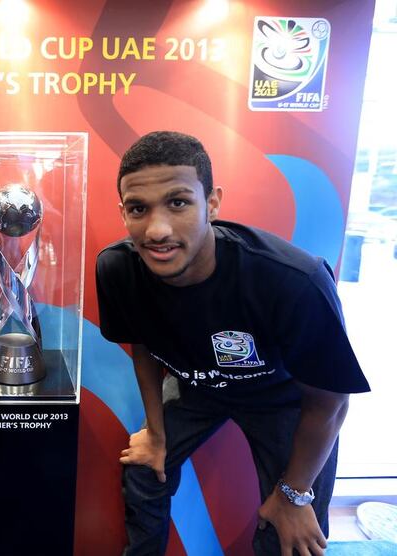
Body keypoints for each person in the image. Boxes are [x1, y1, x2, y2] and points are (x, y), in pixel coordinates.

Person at [96, 131, 370, 555]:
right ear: (124, 212)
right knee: (145, 471)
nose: (158, 229)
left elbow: (331, 401)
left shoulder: (294, 280)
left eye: (178, 202)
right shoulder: (118, 268)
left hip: (283, 397)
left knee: (290, 529)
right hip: (197, 386)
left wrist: (295, 494)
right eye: (138, 209)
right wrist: (154, 432)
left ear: (213, 202)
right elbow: (143, 346)